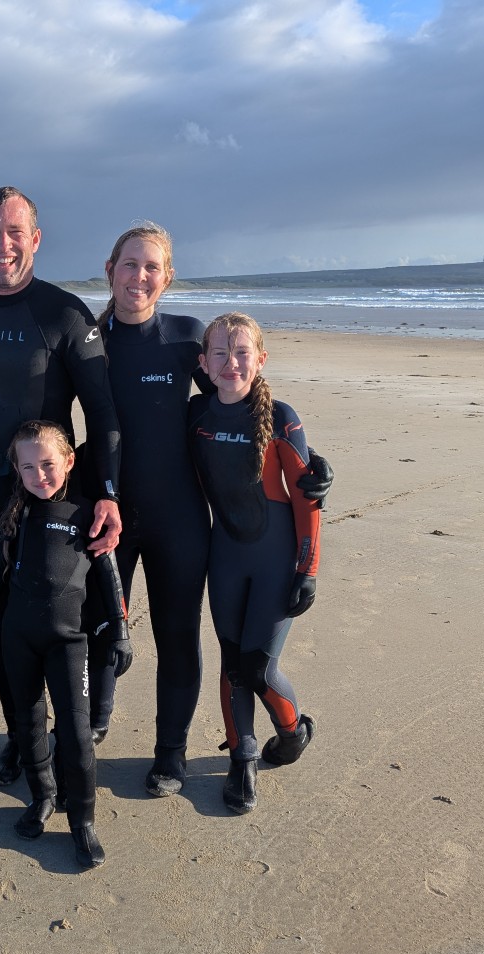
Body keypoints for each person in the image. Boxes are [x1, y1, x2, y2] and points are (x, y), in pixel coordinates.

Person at [82, 224, 333, 797]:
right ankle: (96, 723)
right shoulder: (87, 342)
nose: (139, 277)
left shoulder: (185, 338)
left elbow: (239, 398)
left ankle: (170, 754)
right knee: (101, 629)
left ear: (167, 277)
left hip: (180, 520)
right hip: (110, 510)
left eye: (152, 267)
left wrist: (308, 462)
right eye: (129, 264)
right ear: (110, 269)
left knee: (176, 638)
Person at [0, 187, 123, 787]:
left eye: (16, 231)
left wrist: (107, 492)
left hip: (53, 497)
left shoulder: (66, 315)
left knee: (63, 620)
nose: (4, 243)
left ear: (35, 239)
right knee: (6, 621)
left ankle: (77, 735)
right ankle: (22, 738)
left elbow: (105, 416)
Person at [0, 421, 132, 869]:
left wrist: (120, 631)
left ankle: (83, 821)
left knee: (77, 734)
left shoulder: (88, 516)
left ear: (69, 462)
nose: (40, 475)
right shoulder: (14, 518)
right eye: (28, 467)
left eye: (48, 464)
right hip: (17, 639)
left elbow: (108, 576)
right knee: (29, 724)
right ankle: (43, 798)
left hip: (68, 643)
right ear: (16, 471)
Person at [186, 312, 320, 813]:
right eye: (219, 353)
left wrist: (308, 569)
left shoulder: (281, 415)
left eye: (242, 353)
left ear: (260, 360)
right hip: (225, 557)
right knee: (233, 664)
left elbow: (307, 499)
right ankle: (242, 757)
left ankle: (292, 730)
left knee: (259, 668)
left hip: (277, 559)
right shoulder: (197, 416)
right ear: (204, 362)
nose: (230, 362)